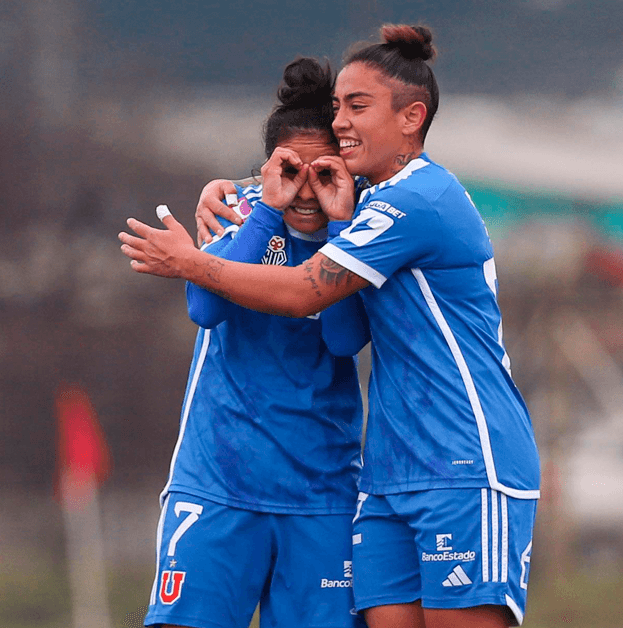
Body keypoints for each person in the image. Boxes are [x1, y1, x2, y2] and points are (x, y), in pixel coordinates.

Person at [122, 25, 540, 628]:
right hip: (283, 478)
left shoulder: (402, 204)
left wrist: (190, 259)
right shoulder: (261, 210)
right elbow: (207, 308)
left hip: (429, 469)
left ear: (410, 117)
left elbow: (326, 318)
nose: (342, 126)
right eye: (340, 107)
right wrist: (247, 200)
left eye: (356, 108)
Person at [143, 57, 370, 628]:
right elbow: (205, 307)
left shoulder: (364, 228)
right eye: (291, 169)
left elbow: (345, 340)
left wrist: (340, 228)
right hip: (219, 483)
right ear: (268, 166)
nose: (306, 186)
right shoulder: (238, 211)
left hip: (322, 493)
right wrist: (266, 210)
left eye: (324, 169)